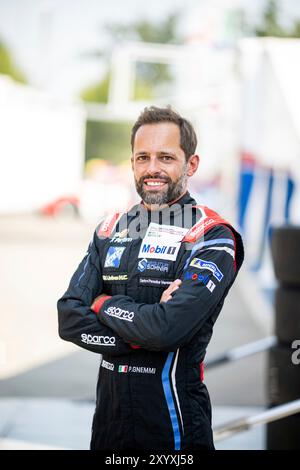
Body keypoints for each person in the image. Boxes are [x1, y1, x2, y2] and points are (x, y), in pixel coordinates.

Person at [57, 106, 244, 451]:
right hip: (108, 428)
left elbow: (167, 330)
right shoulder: (110, 228)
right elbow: (69, 318)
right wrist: (143, 336)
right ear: (132, 163)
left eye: (166, 157)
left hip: (174, 430)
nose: (152, 168)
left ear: (191, 164)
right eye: (142, 157)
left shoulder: (212, 236)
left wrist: (102, 303)